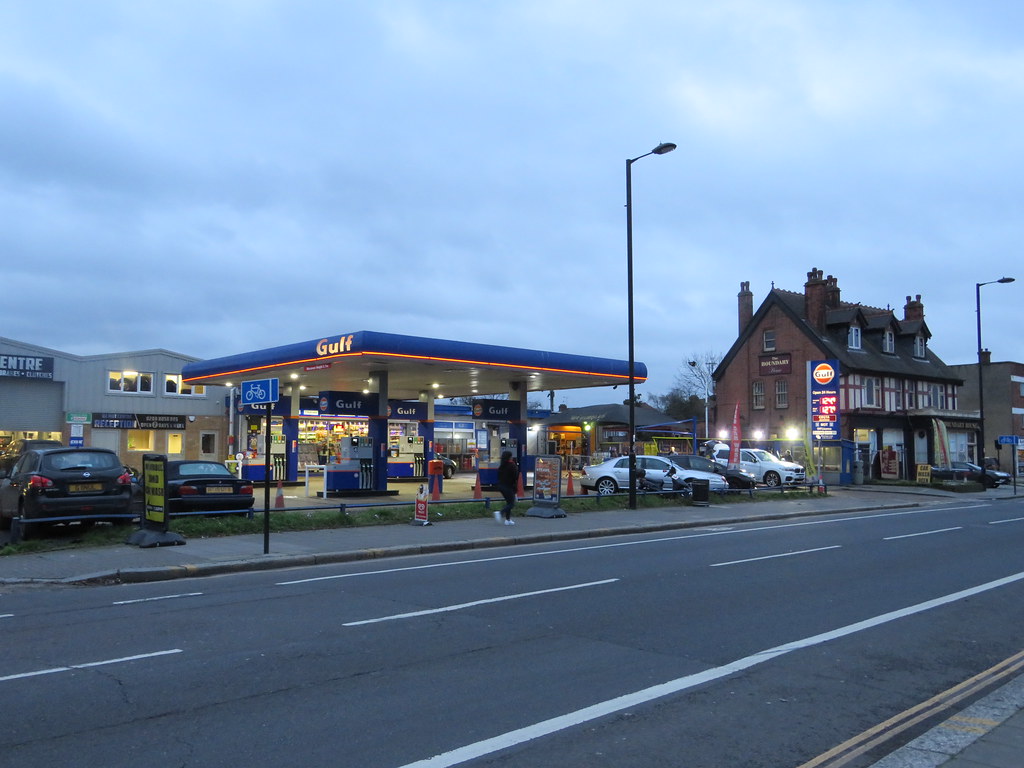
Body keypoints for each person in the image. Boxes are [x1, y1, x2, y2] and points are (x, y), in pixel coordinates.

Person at [495, 450, 518, 525]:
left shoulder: (502, 466)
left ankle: (508, 520)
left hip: (501, 486)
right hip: (508, 487)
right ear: (509, 457)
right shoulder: (512, 465)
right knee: (512, 503)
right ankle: (500, 513)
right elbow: (515, 477)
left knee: (508, 502)